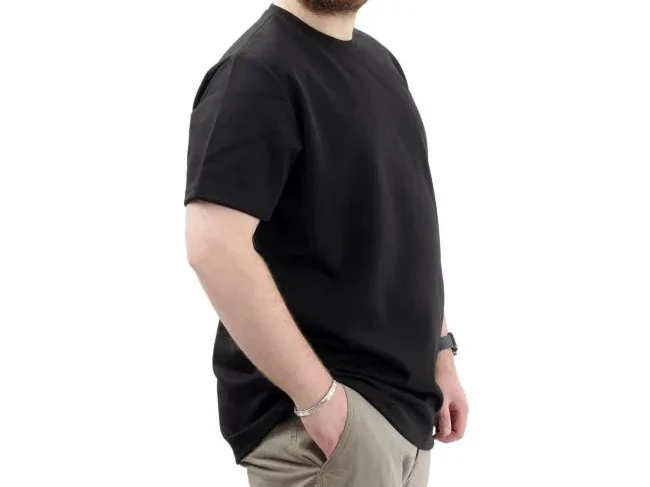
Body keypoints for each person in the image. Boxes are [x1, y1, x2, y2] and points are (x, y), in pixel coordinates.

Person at [184, 1, 468, 485]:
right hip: (325, 431)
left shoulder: (381, 62)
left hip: (404, 418)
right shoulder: (255, 73)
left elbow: (405, 231)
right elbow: (214, 246)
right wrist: (321, 404)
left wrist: (441, 354)